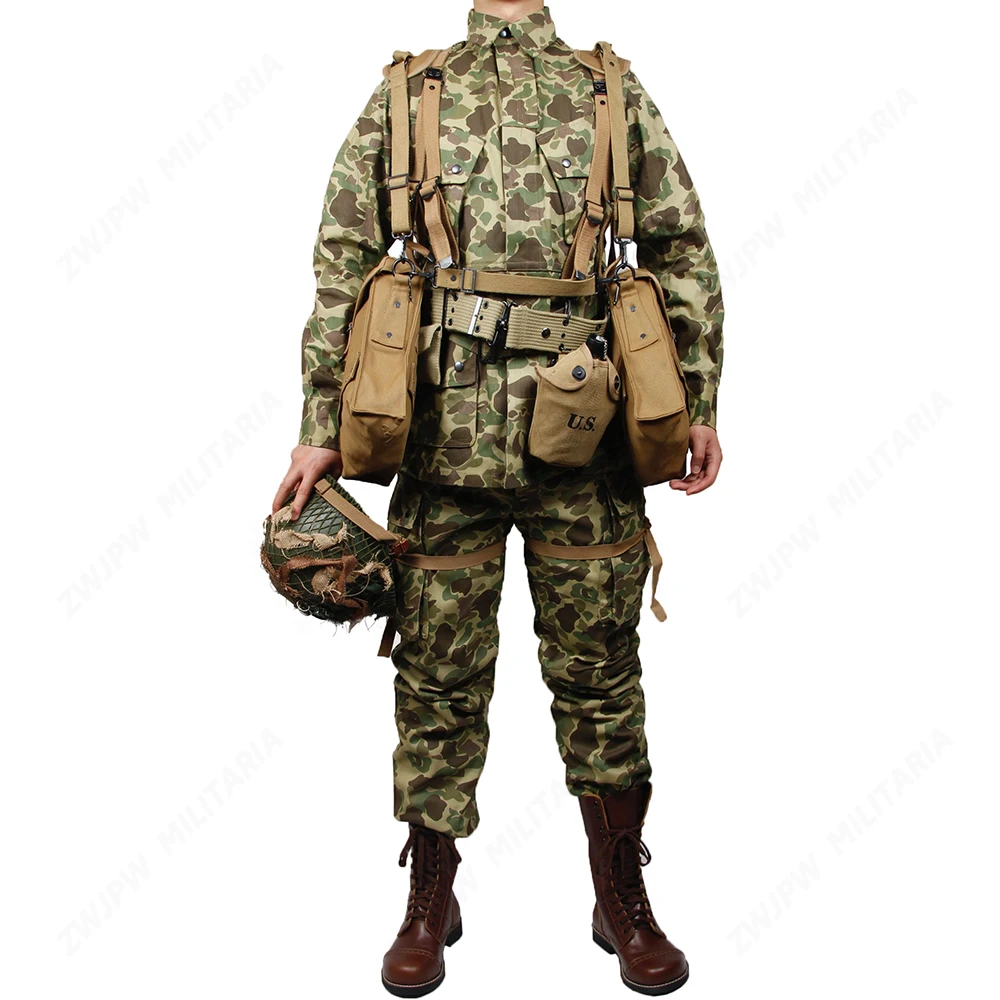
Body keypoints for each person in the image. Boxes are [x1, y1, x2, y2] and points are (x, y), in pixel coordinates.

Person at [272, 1, 724, 995]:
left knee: (601, 676)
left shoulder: (608, 89)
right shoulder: (406, 91)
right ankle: (428, 896)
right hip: (440, 438)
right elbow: (342, 258)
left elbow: (679, 246)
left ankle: (621, 896)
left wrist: (695, 400)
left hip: (587, 439)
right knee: (435, 678)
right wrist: (319, 425)